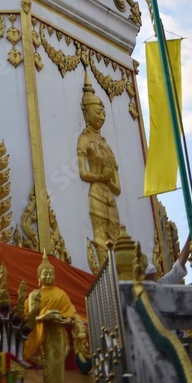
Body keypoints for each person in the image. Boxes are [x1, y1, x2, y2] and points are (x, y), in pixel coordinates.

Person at [23, 255, 88, 383]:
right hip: (42, 333)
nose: (48, 276)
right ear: (38, 277)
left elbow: (69, 317)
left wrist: (63, 320)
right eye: (45, 274)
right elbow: (29, 317)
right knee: (47, 368)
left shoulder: (61, 294)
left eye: (51, 273)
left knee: (56, 368)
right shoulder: (34, 295)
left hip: (58, 335)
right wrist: (43, 317)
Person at [76, 73, 121, 266]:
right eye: (97, 112)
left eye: (103, 112)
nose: (101, 116)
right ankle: (107, 278)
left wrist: (108, 179)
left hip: (110, 199)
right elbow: (83, 173)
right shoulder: (84, 140)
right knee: (101, 240)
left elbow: (117, 188)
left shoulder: (107, 147)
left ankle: (119, 278)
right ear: (86, 114)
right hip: (95, 195)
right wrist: (102, 177)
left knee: (117, 241)